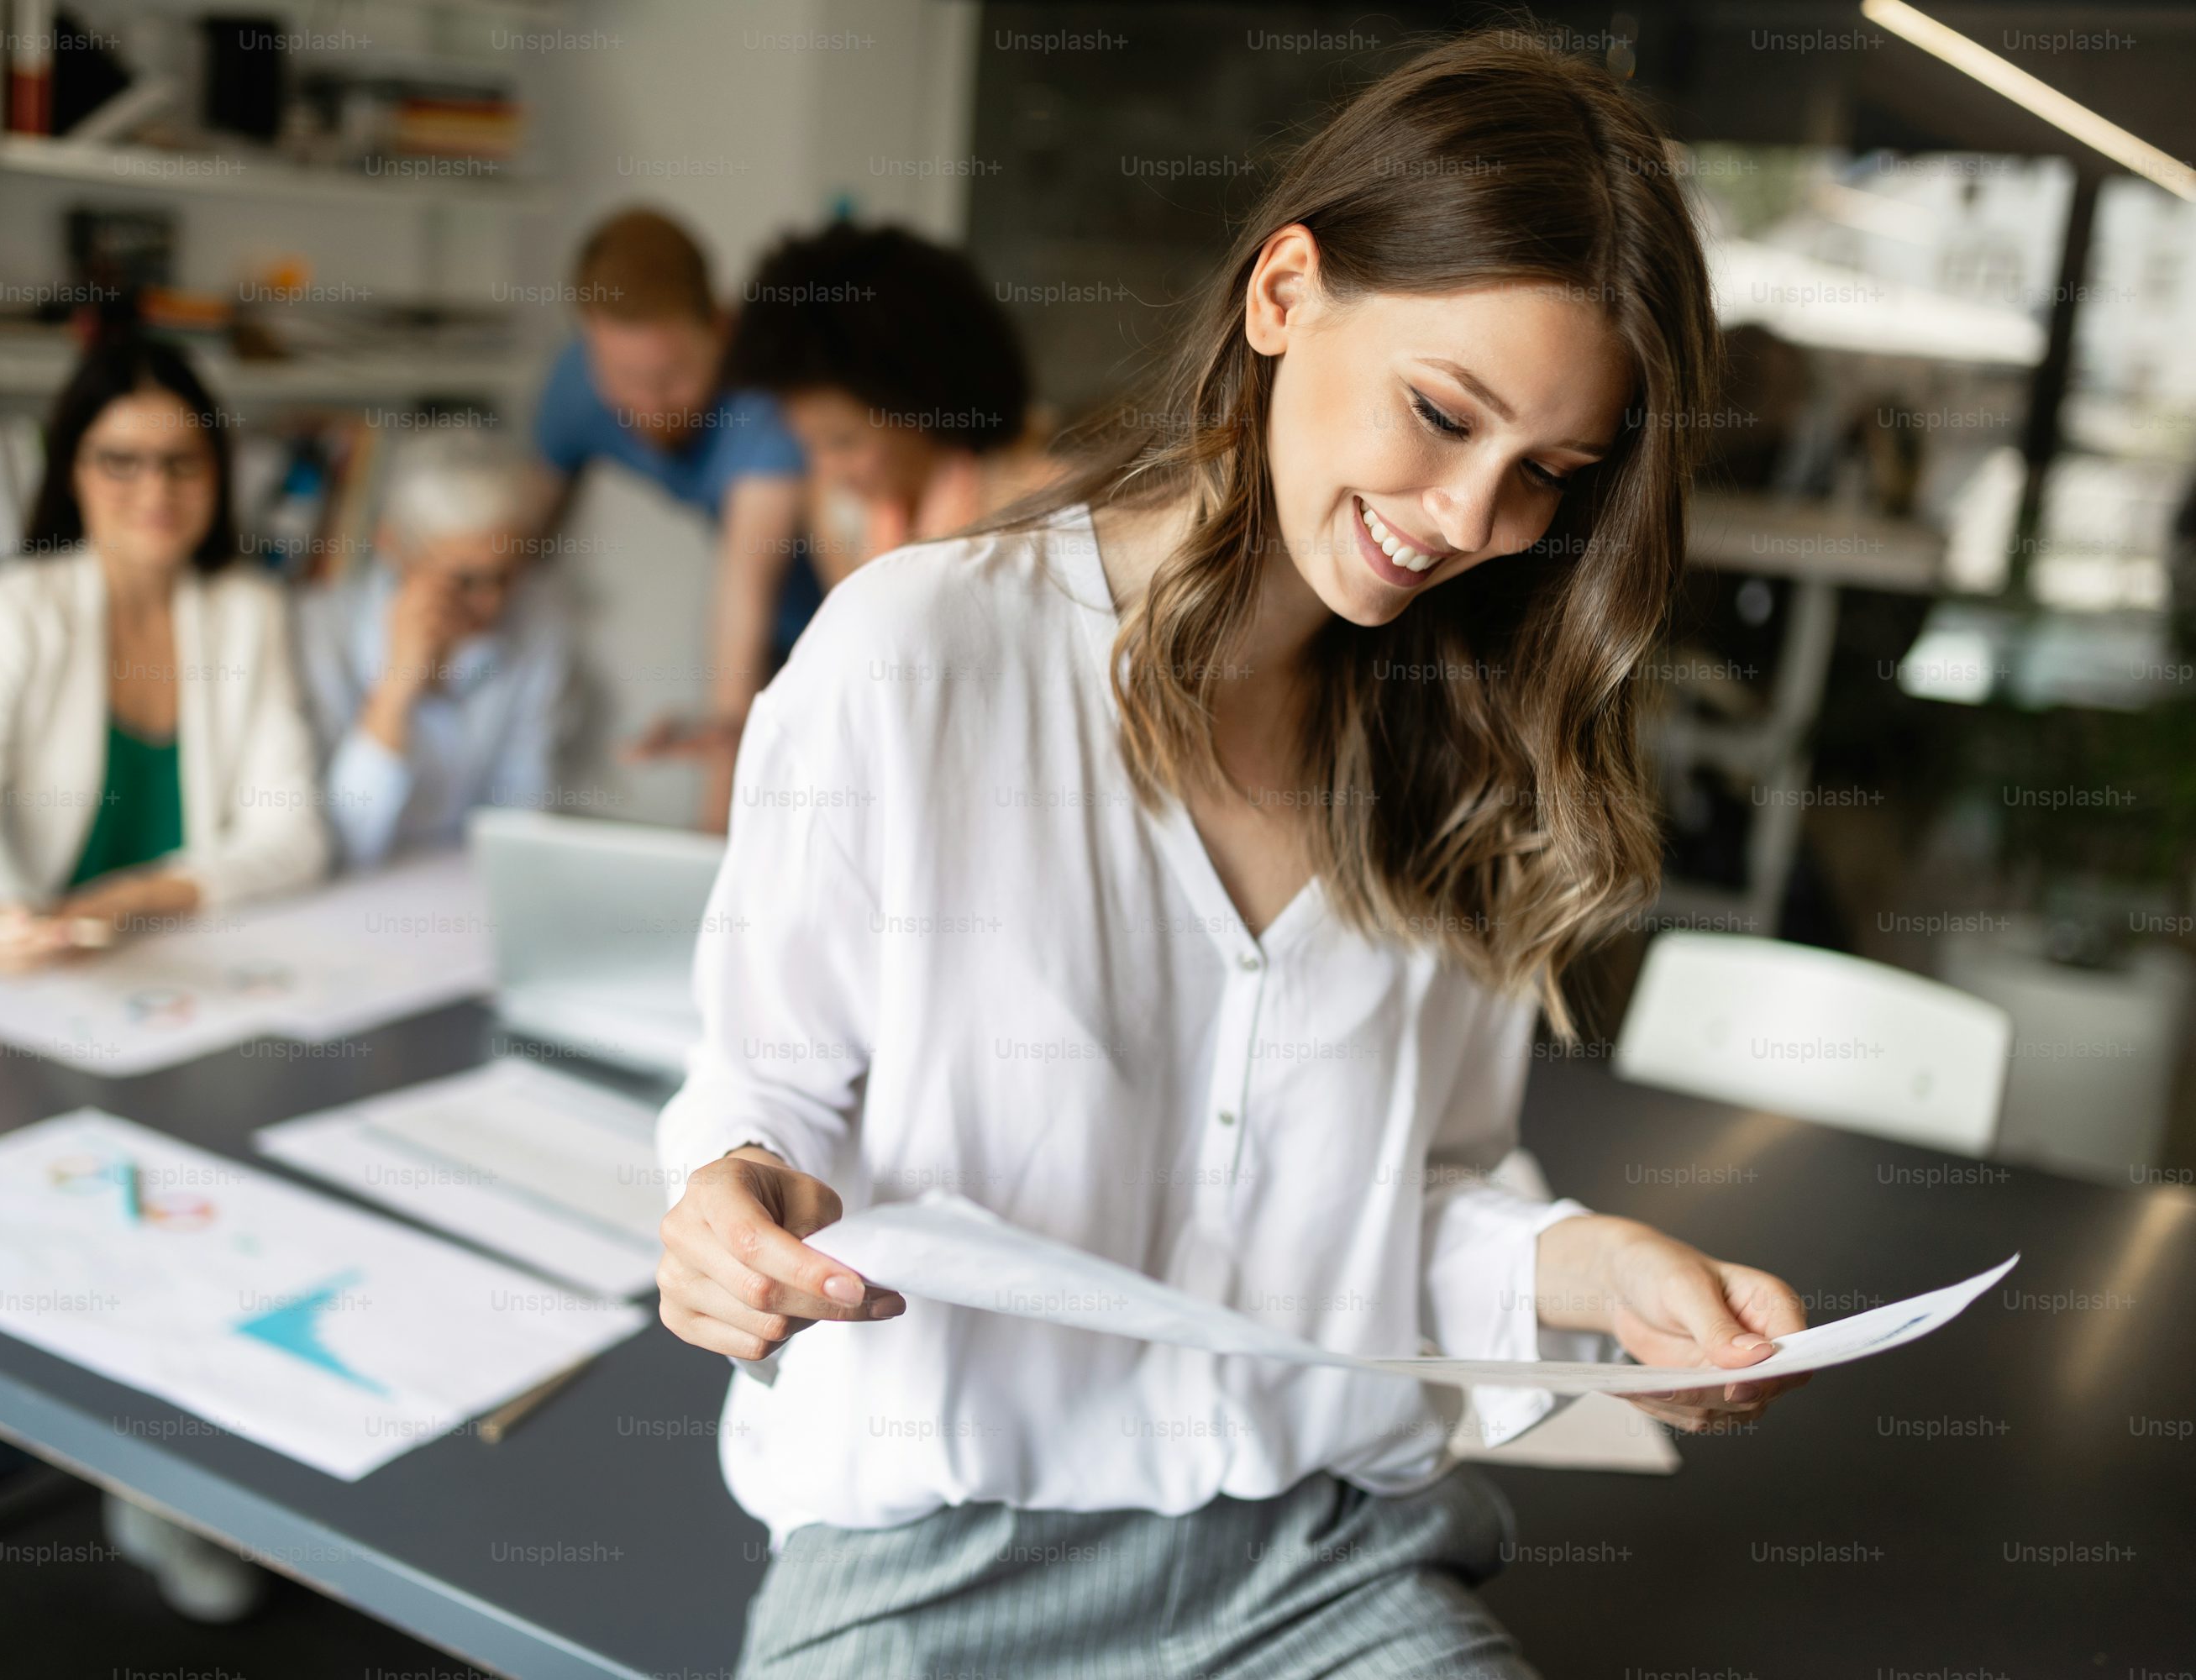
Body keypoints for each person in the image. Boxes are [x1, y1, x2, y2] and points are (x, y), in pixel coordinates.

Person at [654, 35, 1810, 1680]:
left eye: (1546, 476)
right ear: (1286, 292)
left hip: (1319, 1555)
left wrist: (1597, 1266)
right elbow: (763, 1091)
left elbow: (1411, 1196)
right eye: (1441, 415)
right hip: (936, 1570)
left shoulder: (1470, 749)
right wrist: (728, 1204)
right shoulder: (920, 656)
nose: (1474, 520)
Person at [0, 333, 327, 978]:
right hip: (8, 972)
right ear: (72, 471)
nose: (155, 490)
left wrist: (133, 902)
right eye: (120, 461)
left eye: (182, 461)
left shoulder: (251, 612)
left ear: (218, 471)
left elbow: (292, 841)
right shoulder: (9, 615)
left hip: (172, 964)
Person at [512, 207, 810, 830]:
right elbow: (512, 540)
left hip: (824, 631)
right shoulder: (576, 384)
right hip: (775, 629)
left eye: (673, 377)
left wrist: (712, 846)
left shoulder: (765, 397)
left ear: (721, 329)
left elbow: (742, 603)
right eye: (624, 378)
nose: (647, 405)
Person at [721, 220, 1059, 583]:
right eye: (807, 443)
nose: (828, 469)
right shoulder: (846, 510)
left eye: (843, 441)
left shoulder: (1044, 514)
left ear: (929, 406)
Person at [295, 433, 572, 870]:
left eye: (506, 575)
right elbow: (339, 845)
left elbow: (523, 813)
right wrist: (395, 689)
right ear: (393, 547)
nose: (491, 604)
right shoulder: (321, 631)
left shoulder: (537, 620)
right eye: (464, 580)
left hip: (466, 888)